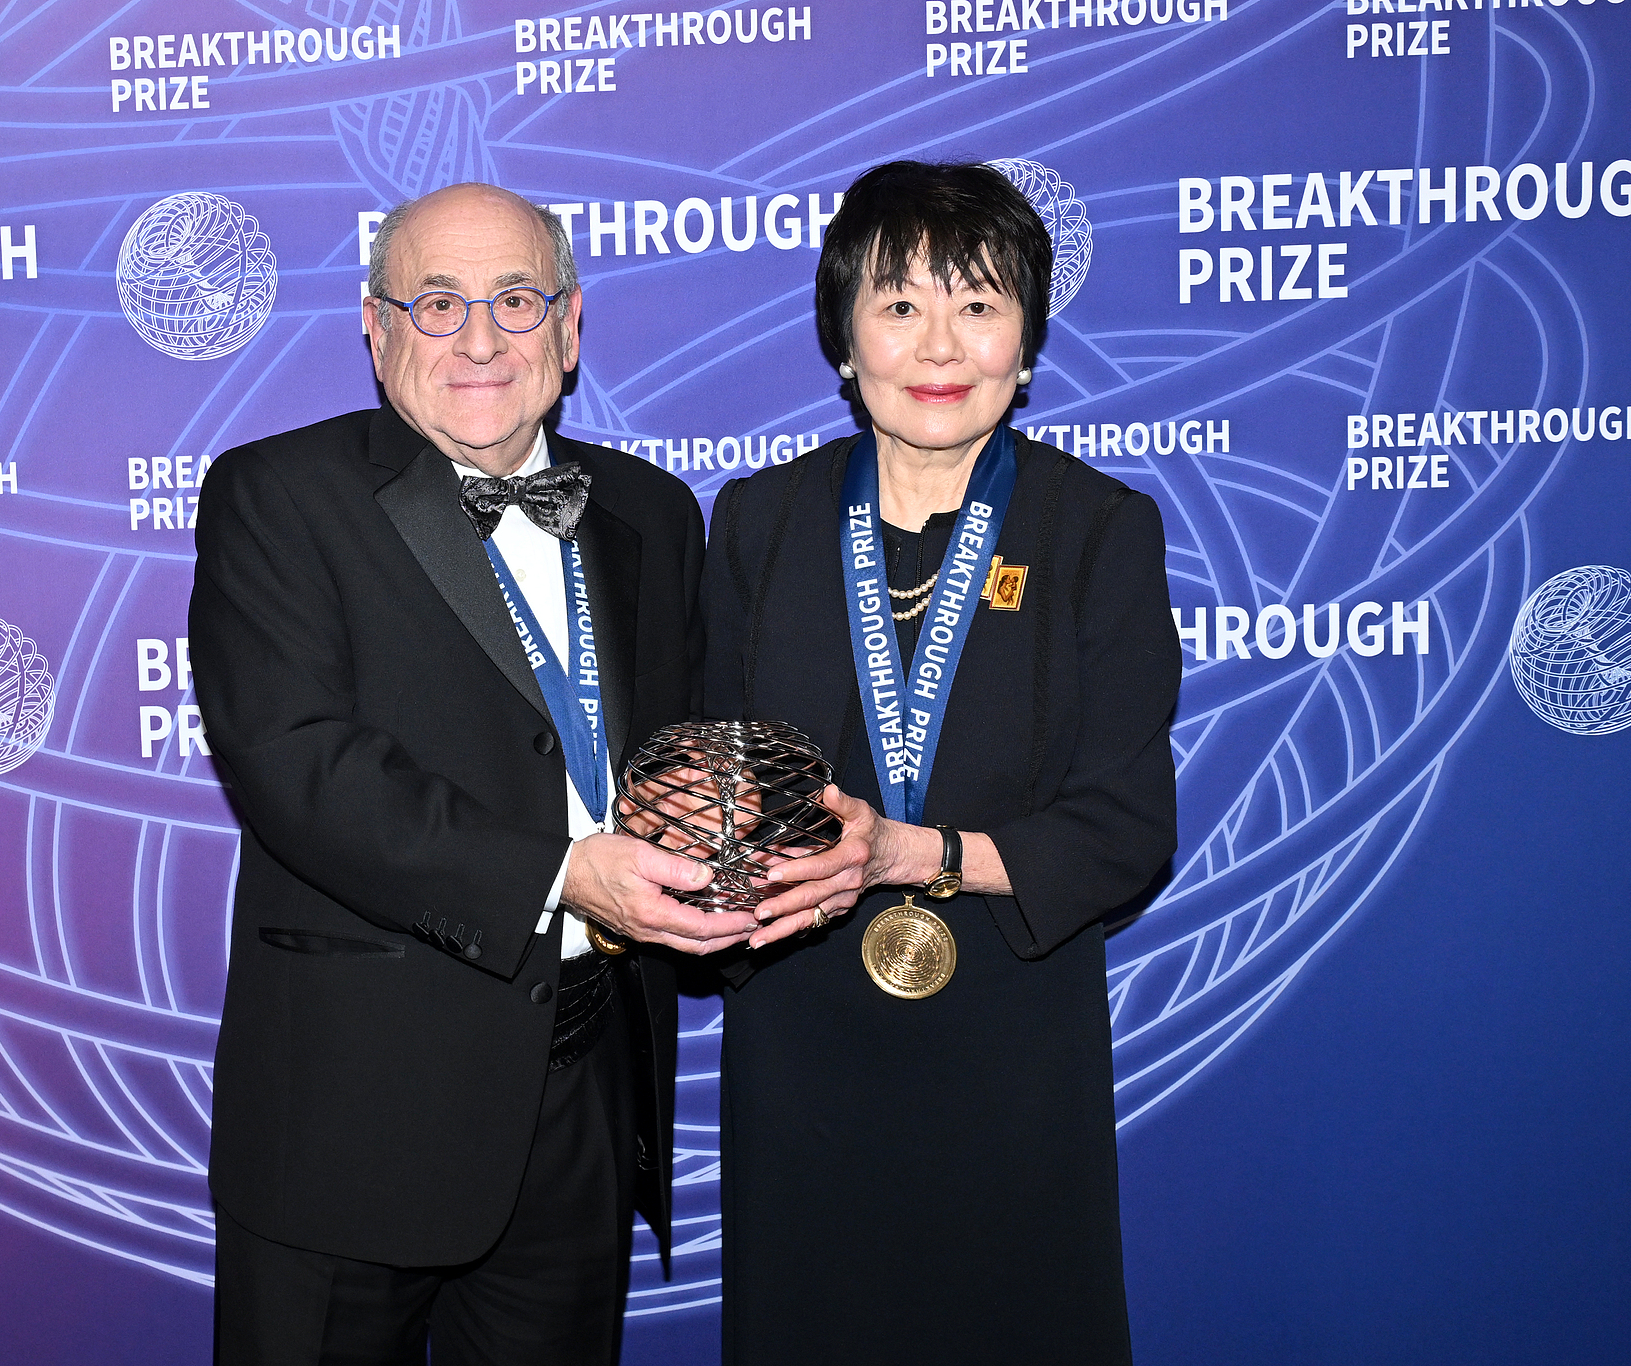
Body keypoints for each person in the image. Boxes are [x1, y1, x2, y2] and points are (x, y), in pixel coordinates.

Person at [189, 182, 756, 1366]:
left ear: (571, 326)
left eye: (515, 299)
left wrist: (720, 825)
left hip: (578, 1100)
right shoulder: (276, 496)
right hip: (351, 1117)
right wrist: (560, 874)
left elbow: (659, 750)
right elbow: (300, 765)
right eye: (437, 303)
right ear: (374, 325)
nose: (482, 339)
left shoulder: (651, 511)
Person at [701, 161, 1182, 1364]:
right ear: (842, 336)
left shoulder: (1096, 529)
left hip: (1012, 1054)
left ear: (1025, 346)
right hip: (804, 1045)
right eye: (898, 303)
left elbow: (1126, 824)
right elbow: (716, 781)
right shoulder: (755, 523)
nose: (938, 343)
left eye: (978, 304)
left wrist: (918, 854)